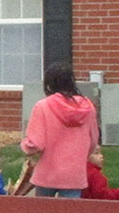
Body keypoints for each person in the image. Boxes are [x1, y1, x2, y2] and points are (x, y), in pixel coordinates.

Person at [20, 64, 100, 198]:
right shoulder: (88, 107)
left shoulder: (43, 106)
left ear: (49, 84)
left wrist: (25, 146)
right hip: (74, 174)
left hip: (47, 173)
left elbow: (36, 144)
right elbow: (93, 140)